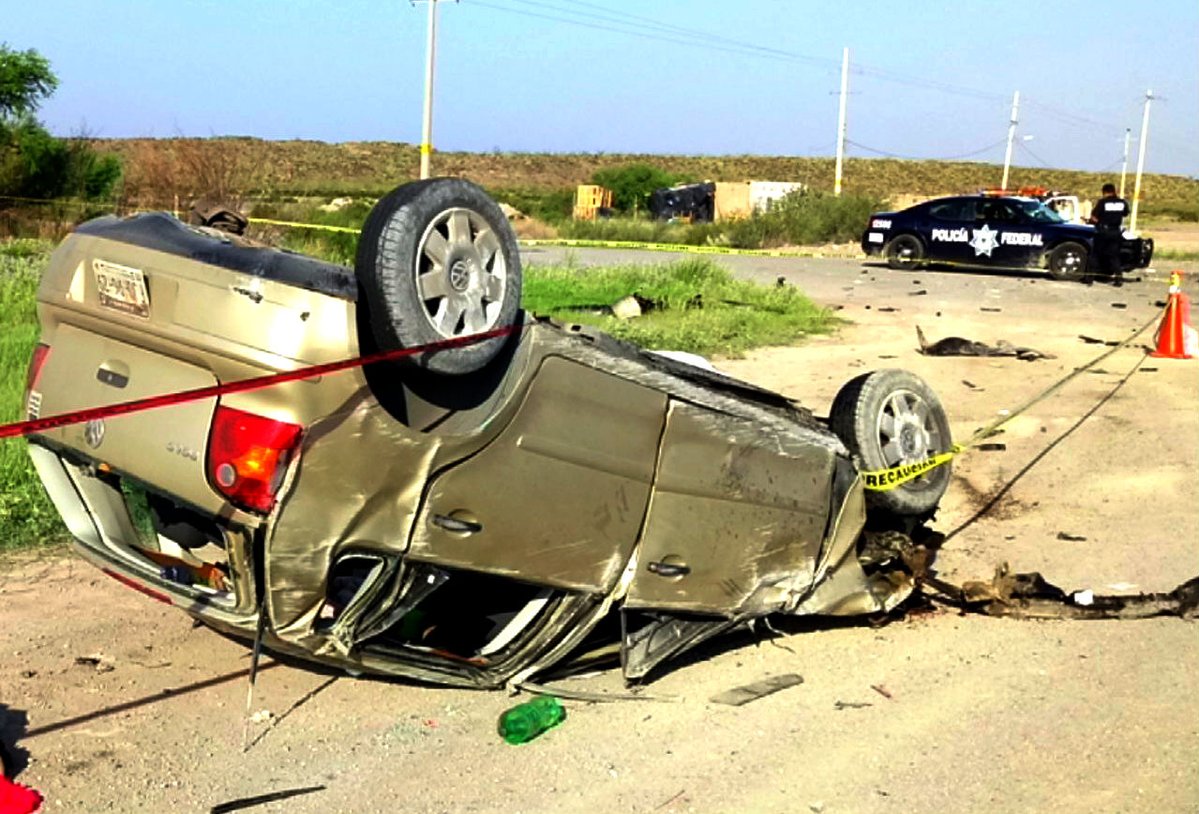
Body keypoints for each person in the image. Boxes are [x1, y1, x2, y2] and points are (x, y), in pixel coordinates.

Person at [1087, 182, 1129, 286]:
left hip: (1103, 231)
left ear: (1105, 192)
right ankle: (1119, 279)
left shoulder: (1103, 202)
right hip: (1115, 232)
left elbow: (1094, 217)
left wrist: (1093, 222)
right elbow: (1125, 213)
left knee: (1095, 255)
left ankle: (1089, 278)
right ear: (1114, 191)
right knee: (1114, 256)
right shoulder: (1122, 202)